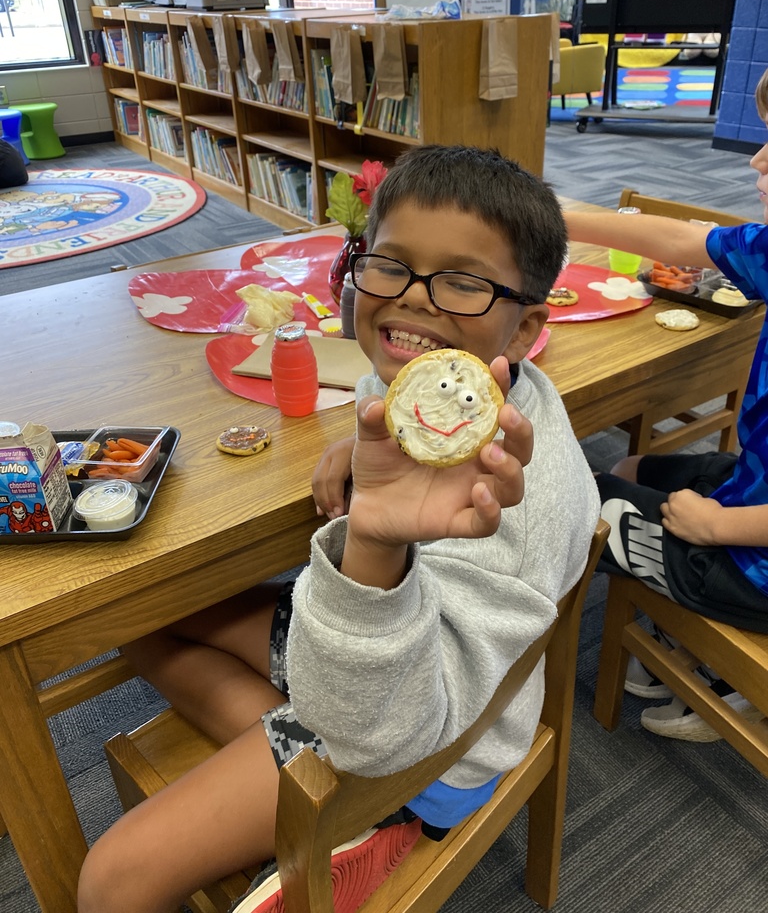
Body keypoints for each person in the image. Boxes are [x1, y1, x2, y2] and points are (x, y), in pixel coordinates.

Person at [78, 144, 600, 913]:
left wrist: (377, 540)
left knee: (114, 880)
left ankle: (356, 810)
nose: (414, 301)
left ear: (523, 330)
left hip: (427, 745)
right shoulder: (433, 378)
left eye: (461, 281)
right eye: (390, 265)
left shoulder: (517, 505)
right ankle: (311, 791)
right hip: (373, 654)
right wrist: (356, 445)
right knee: (141, 621)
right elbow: (398, 415)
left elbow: (402, 727)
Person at [563, 66, 768, 743]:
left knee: (564, 500)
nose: (758, 159)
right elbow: (683, 241)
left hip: (749, 558)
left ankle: (725, 667)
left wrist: (717, 529)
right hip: (752, 490)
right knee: (637, 467)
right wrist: (561, 213)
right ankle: (686, 646)